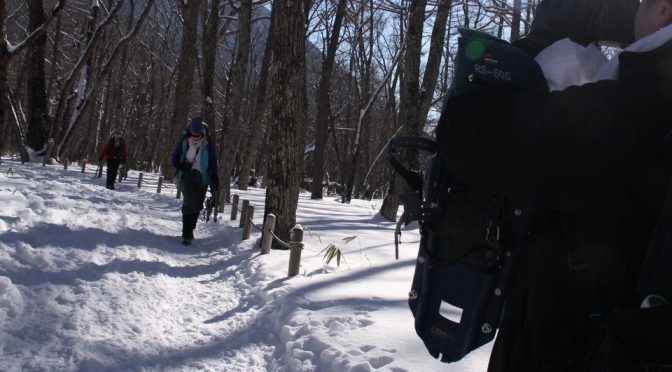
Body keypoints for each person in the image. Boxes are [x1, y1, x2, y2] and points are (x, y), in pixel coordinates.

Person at [430, 0, 672, 370]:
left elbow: (469, 137)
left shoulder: (646, 96)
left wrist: (535, 45)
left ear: (665, 9)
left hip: (582, 345)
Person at [171, 117, 219, 246]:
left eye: (198, 135)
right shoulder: (184, 142)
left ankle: (191, 229)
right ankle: (186, 234)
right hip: (187, 176)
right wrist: (181, 166)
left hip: (202, 178)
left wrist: (215, 178)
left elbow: (213, 162)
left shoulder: (208, 145)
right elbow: (174, 158)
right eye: (193, 134)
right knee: (188, 203)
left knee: (197, 204)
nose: (195, 136)